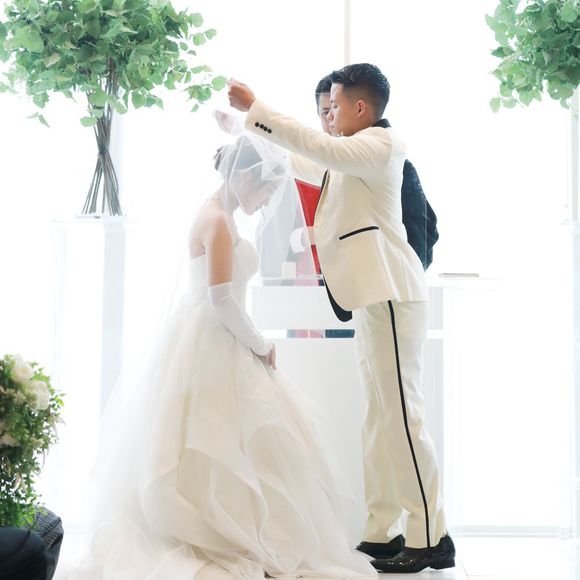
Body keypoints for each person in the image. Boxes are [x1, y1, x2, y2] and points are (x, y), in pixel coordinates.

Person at [68, 133, 376, 580]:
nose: (267, 200)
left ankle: (245, 527)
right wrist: (261, 344)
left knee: (239, 440)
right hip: (211, 338)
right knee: (213, 439)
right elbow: (221, 299)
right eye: (266, 189)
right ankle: (218, 530)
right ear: (246, 178)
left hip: (218, 336)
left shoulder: (221, 215)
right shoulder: (216, 221)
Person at [228, 63, 455, 574]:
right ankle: (383, 530)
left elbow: (319, 148)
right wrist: (247, 128)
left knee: (403, 418)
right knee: (380, 418)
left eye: (334, 107)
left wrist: (257, 108)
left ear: (361, 107)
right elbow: (301, 158)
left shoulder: (379, 145)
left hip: (391, 295)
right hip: (372, 297)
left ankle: (430, 536)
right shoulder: (350, 157)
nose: (327, 116)